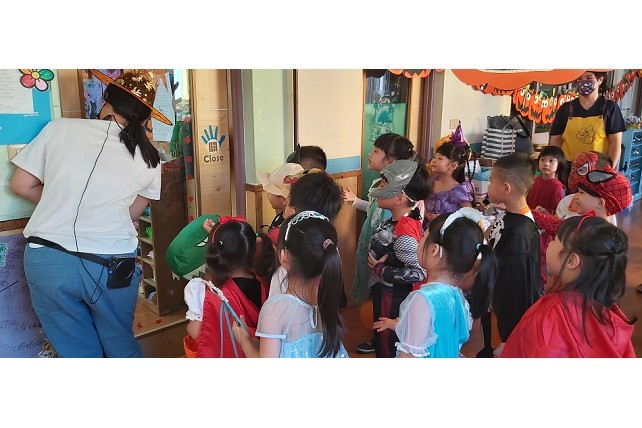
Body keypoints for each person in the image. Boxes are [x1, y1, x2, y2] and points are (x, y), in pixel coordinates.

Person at [9, 69, 171, 357]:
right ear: (146, 118)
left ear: (106, 100)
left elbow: (20, 184)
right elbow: (131, 213)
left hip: (49, 258)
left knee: (78, 353)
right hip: (110, 265)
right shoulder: (150, 158)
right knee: (120, 346)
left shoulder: (59, 129)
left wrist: (60, 200)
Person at [502, 216, 635, 357]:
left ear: (571, 261)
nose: (549, 243)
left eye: (555, 240)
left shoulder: (549, 315)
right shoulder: (606, 312)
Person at [373, 208, 496, 357]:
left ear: (433, 250)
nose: (419, 241)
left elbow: (409, 356)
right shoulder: (458, 296)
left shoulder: (423, 299)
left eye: (423, 236)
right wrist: (399, 324)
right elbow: (437, 331)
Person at [232, 211, 349, 358]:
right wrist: (251, 341)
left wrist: (244, 341)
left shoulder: (275, 309)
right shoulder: (327, 300)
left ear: (283, 256)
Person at [341, 133, 416, 354]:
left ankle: (384, 341)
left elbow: (414, 269)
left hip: (388, 274)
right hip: (375, 263)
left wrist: (383, 268)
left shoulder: (402, 218)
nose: (370, 154)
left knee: (386, 310)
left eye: (375, 151)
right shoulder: (380, 189)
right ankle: (379, 337)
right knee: (376, 301)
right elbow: (376, 208)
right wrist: (356, 202)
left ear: (391, 162)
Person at [183, 216, 276, 357]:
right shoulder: (265, 280)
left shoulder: (204, 292)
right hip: (256, 351)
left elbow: (195, 333)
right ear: (252, 248)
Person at [366, 159, 432, 358]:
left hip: (392, 297)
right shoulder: (400, 221)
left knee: (387, 344)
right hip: (384, 292)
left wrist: (381, 270)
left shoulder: (404, 231)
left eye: (385, 184)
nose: (380, 187)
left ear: (400, 198)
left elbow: (419, 272)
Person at [484, 153, 542, 357]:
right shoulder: (510, 214)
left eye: (491, 181)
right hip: (495, 302)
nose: (488, 186)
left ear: (506, 189)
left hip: (506, 316)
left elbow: (515, 289)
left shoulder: (520, 234)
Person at [268, 170, 344, 301]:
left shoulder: (288, 262)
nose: (285, 202)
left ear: (294, 211)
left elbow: (276, 306)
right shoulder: (329, 249)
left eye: (288, 199)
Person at [548, 70, 627, 188]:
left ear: (600, 80)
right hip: (568, 168)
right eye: (579, 79)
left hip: (597, 169)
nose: (583, 82)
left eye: (589, 78)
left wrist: (608, 171)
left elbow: (615, 143)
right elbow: (555, 142)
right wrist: (552, 168)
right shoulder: (565, 109)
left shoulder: (610, 108)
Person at [526, 145, 566, 288]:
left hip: (544, 231)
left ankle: (540, 288)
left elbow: (559, 214)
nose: (546, 164)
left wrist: (545, 211)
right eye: (543, 160)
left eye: (551, 161)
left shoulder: (557, 187)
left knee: (541, 259)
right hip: (530, 223)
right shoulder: (535, 180)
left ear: (559, 165)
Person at [424, 125, 476, 228]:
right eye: (434, 156)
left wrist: (447, 220)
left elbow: (469, 215)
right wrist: (426, 214)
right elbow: (421, 201)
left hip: (447, 232)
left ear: (452, 166)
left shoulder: (458, 189)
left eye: (440, 158)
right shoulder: (431, 181)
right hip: (426, 229)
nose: (433, 160)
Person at [256, 162, 304, 245]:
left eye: (270, 193)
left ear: (285, 199)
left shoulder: (291, 227)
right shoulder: (280, 216)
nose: (267, 195)